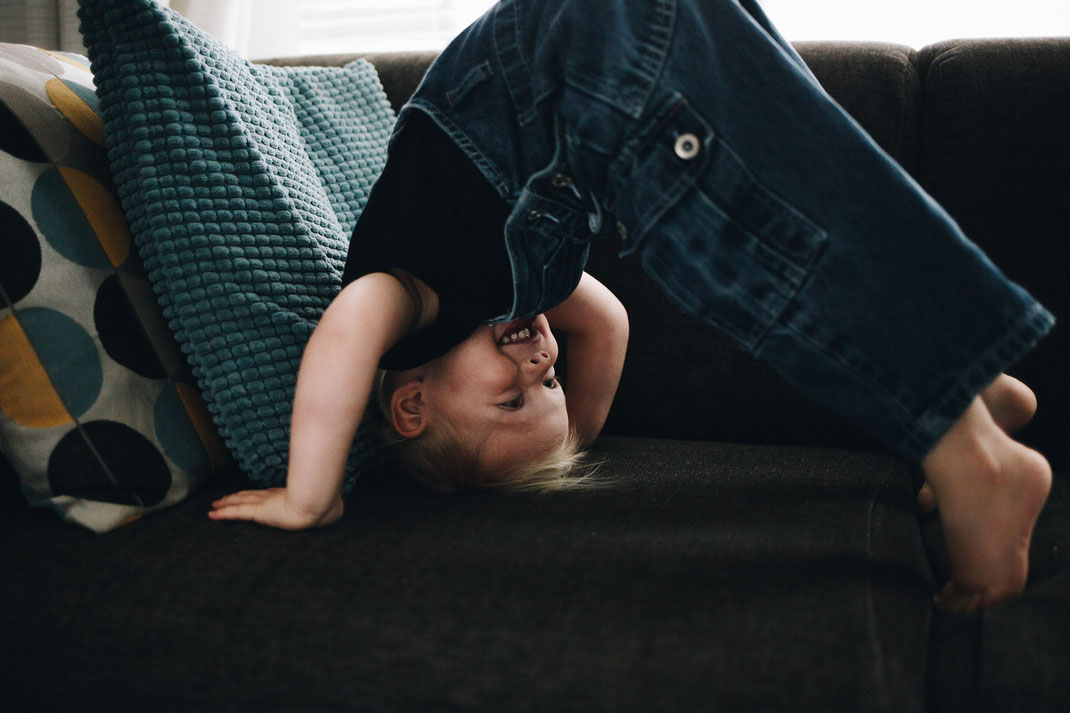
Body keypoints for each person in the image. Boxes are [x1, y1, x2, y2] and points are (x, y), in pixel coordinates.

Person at [210, 0, 1055, 613]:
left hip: (576, 54)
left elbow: (342, 336)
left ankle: (958, 446)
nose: (544, 363)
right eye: (549, 381)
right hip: (624, 45)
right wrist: (572, 426)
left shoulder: (409, 299)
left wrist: (309, 491)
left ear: (410, 401)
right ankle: (961, 378)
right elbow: (607, 322)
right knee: (822, 192)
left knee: (745, 254)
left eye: (514, 393)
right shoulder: (519, 290)